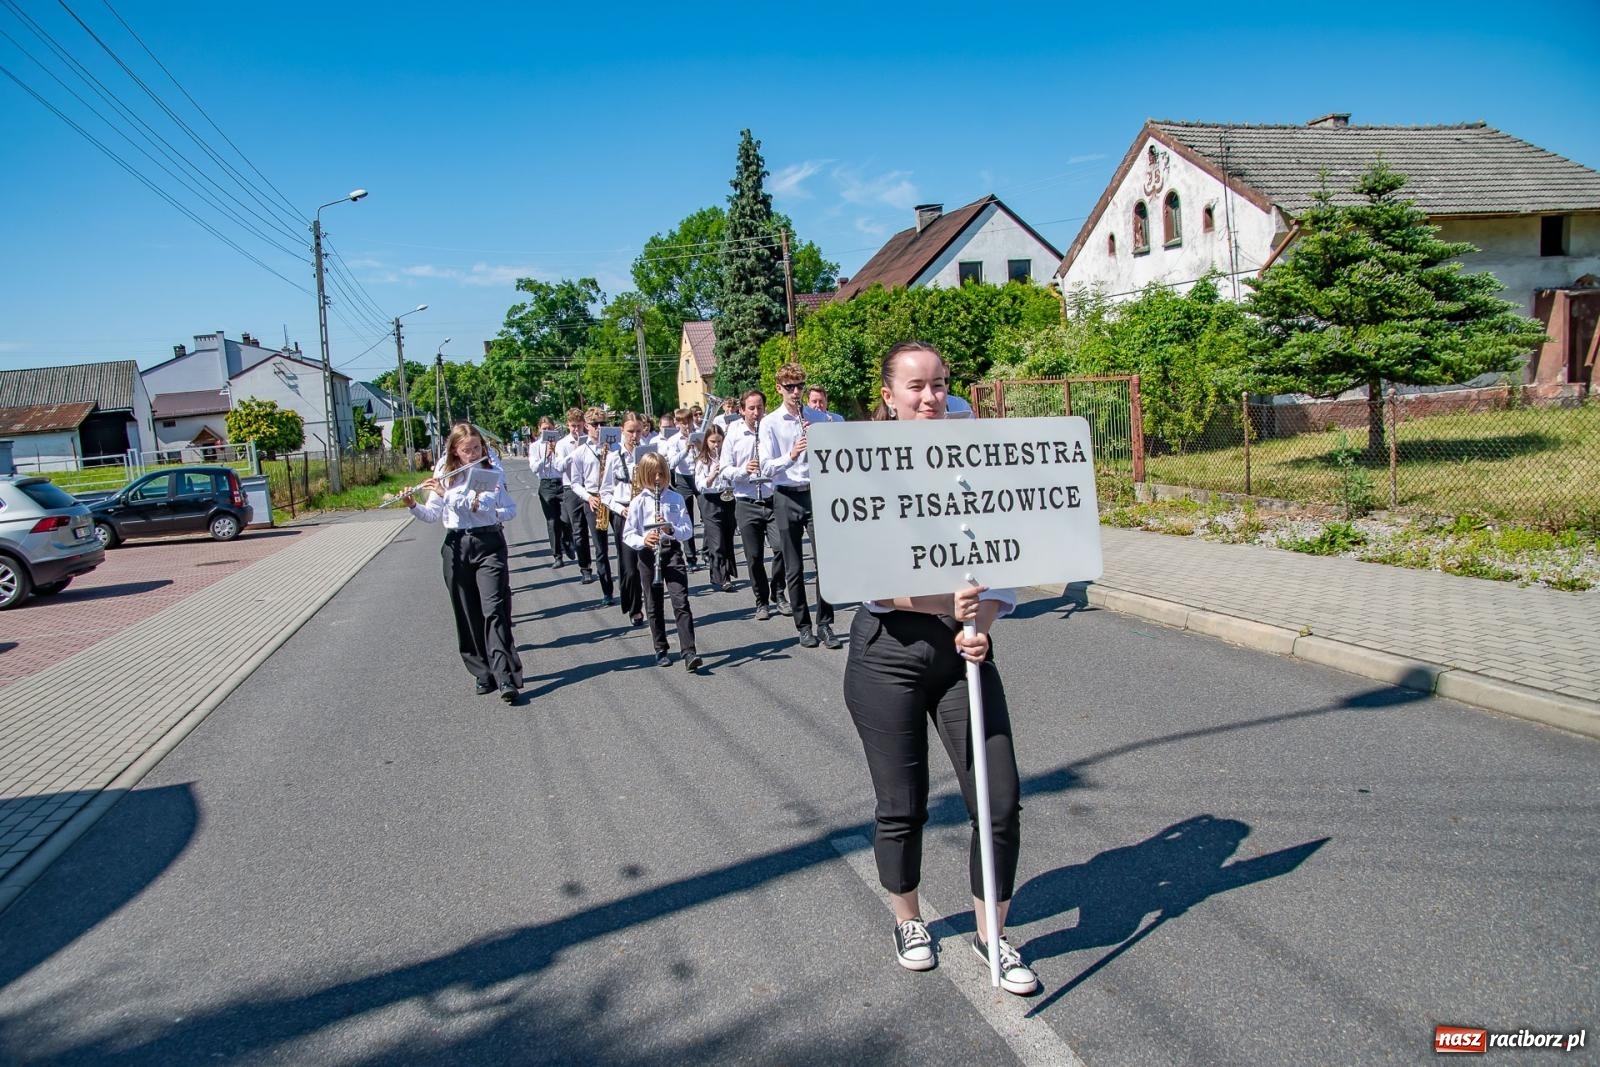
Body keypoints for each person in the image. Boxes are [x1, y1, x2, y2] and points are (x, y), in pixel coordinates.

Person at [842, 341, 1036, 996]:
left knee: (1000, 798)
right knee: (903, 804)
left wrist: (979, 625)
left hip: (962, 653)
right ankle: (909, 918)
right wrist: (941, 602)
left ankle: (992, 934)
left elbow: (1005, 563)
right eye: (916, 386)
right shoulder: (863, 466)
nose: (930, 397)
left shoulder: (975, 460)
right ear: (890, 395)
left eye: (940, 385)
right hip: (888, 651)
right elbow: (867, 578)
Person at [403, 422, 523, 705]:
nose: (472, 454)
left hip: (489, 544)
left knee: (494, 609)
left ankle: (505, 674)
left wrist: (458, 498)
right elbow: (433, 515)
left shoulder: (490, 473)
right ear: (455, 451)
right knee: (466, 611)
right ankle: (482, 671)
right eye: (466, 450)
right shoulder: (445, 474)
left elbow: (497, 509)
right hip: (456, 544)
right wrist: (412, 505)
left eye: (477, 448)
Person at [759, 362, 837, 650]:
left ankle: (825, 624)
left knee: (825, 564)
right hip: (786, 494)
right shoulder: (770, 423)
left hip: (816, 493)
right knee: (794, 566)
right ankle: (804, 627)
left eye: (800, 386)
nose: (796, 392)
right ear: (779, 388)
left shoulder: (817, 416)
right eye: (790, 387)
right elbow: (767, 466)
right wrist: (791, 455)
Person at [624, 452, 701, 672]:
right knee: (653, 602)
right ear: (644, 476)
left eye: (661, 474)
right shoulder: (638, 502)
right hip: (648, 555)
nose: (658, 479)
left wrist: (670, 529)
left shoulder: (675, 498)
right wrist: (644, 539)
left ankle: (689, 651)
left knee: (681, 601)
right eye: (653, 474)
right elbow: (628, 534)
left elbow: (687, 530)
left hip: (672, 552)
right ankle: (660, 648)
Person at [719, 388, 788, 621]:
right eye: (751, 408)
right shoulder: (734, 435)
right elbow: (724, 469)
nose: (756, 413)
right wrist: (743, 471)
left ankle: (779, 592)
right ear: (742, 410)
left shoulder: (771, 430)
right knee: (754, 556)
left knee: (781, 548)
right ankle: (761, 600)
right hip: (746, 501)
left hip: (772, 498)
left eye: (759, 408)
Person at [562, 408, 616, 605]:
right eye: (595, 425)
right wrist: (588, 497)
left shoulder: (615, 447)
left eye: (602, 424)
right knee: (601, 549)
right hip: (594, 500)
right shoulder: (580, 453)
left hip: (615, 499)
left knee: (624, 544)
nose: (599, 428)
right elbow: (575, 483)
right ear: (587, 426)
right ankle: (607, 591)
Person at [602, 413, 645, 626]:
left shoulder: (647, 453)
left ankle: (650, 605)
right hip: (624, 512)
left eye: (638, 431)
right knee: (629, 567)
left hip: (645, 512)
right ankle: (635, 608)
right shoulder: (613, 457)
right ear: (622, 431)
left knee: (647, 564)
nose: (634, 436)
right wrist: (620, 509)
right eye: (630, 431)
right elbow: (605, 493)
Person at [694, 422, 738, 592]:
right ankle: (723, 578)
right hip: (710, 500)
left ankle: (717, 573)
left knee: (727, 539)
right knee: (717, 541)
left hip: (727, 499)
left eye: (719, 441)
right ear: (706, 442)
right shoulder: (702, 460)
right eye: (713, 442)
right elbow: (700, 485)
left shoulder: (728, 457)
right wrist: (712, 476)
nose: (716, 445)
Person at [530, 414, 575, 567]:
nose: (547, 431)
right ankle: (557, 556)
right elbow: (534, 468)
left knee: (566, 518)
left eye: (549, 428)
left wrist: (555, 451)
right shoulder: (535, 446)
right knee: (552, 522)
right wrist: (546, 456)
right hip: (546, 485)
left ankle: (568, 539)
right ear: (539, 430)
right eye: (544, 429)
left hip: (561, 483)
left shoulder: (561, 444)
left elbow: (565, 464)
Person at [662, 408, 701, 570]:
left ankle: (706, 550)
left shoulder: (700, 433)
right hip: (683, 479)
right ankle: (691, 556)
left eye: (688, 422)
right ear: (677, 423)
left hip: (699, 476)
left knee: (707, 515)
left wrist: (698, 447)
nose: (686, 426)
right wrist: (685, 449)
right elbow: (671, 464)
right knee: (686, 517)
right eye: (683, 423)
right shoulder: (673, 441)